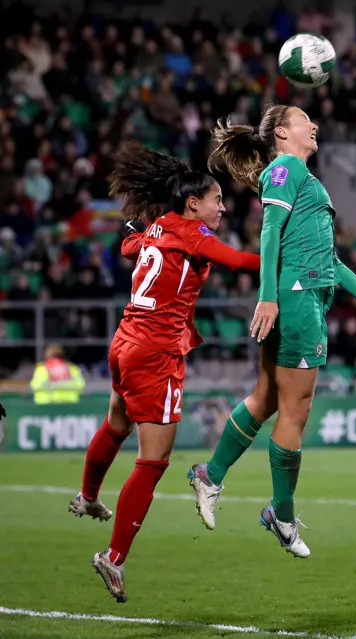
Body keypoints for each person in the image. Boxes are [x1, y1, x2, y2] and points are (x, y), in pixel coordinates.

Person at [188, 104, 356, 558]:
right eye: (303, 119)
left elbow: (329, 261)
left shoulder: (301, 177)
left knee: (268, 398)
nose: (314, 125)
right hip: (295, 300)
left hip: (302, 295)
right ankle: (282, 514)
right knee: (297, 412)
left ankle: (210, 475)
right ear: (283, 134)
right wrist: (268, 295)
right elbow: (268, 232)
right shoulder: (285, 168)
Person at [68, 141, 260, 603]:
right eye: (216, 199)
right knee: (152, 462)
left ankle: (89, 496)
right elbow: (240, 262)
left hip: (125, 342)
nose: (222, 207)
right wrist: (288, 257)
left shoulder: (160, 226)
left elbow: (129, 243)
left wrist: (137, 231)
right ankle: (113, 557)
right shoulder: (192, 232)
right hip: (155, 352)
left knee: (117, 425)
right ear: (193, 203)